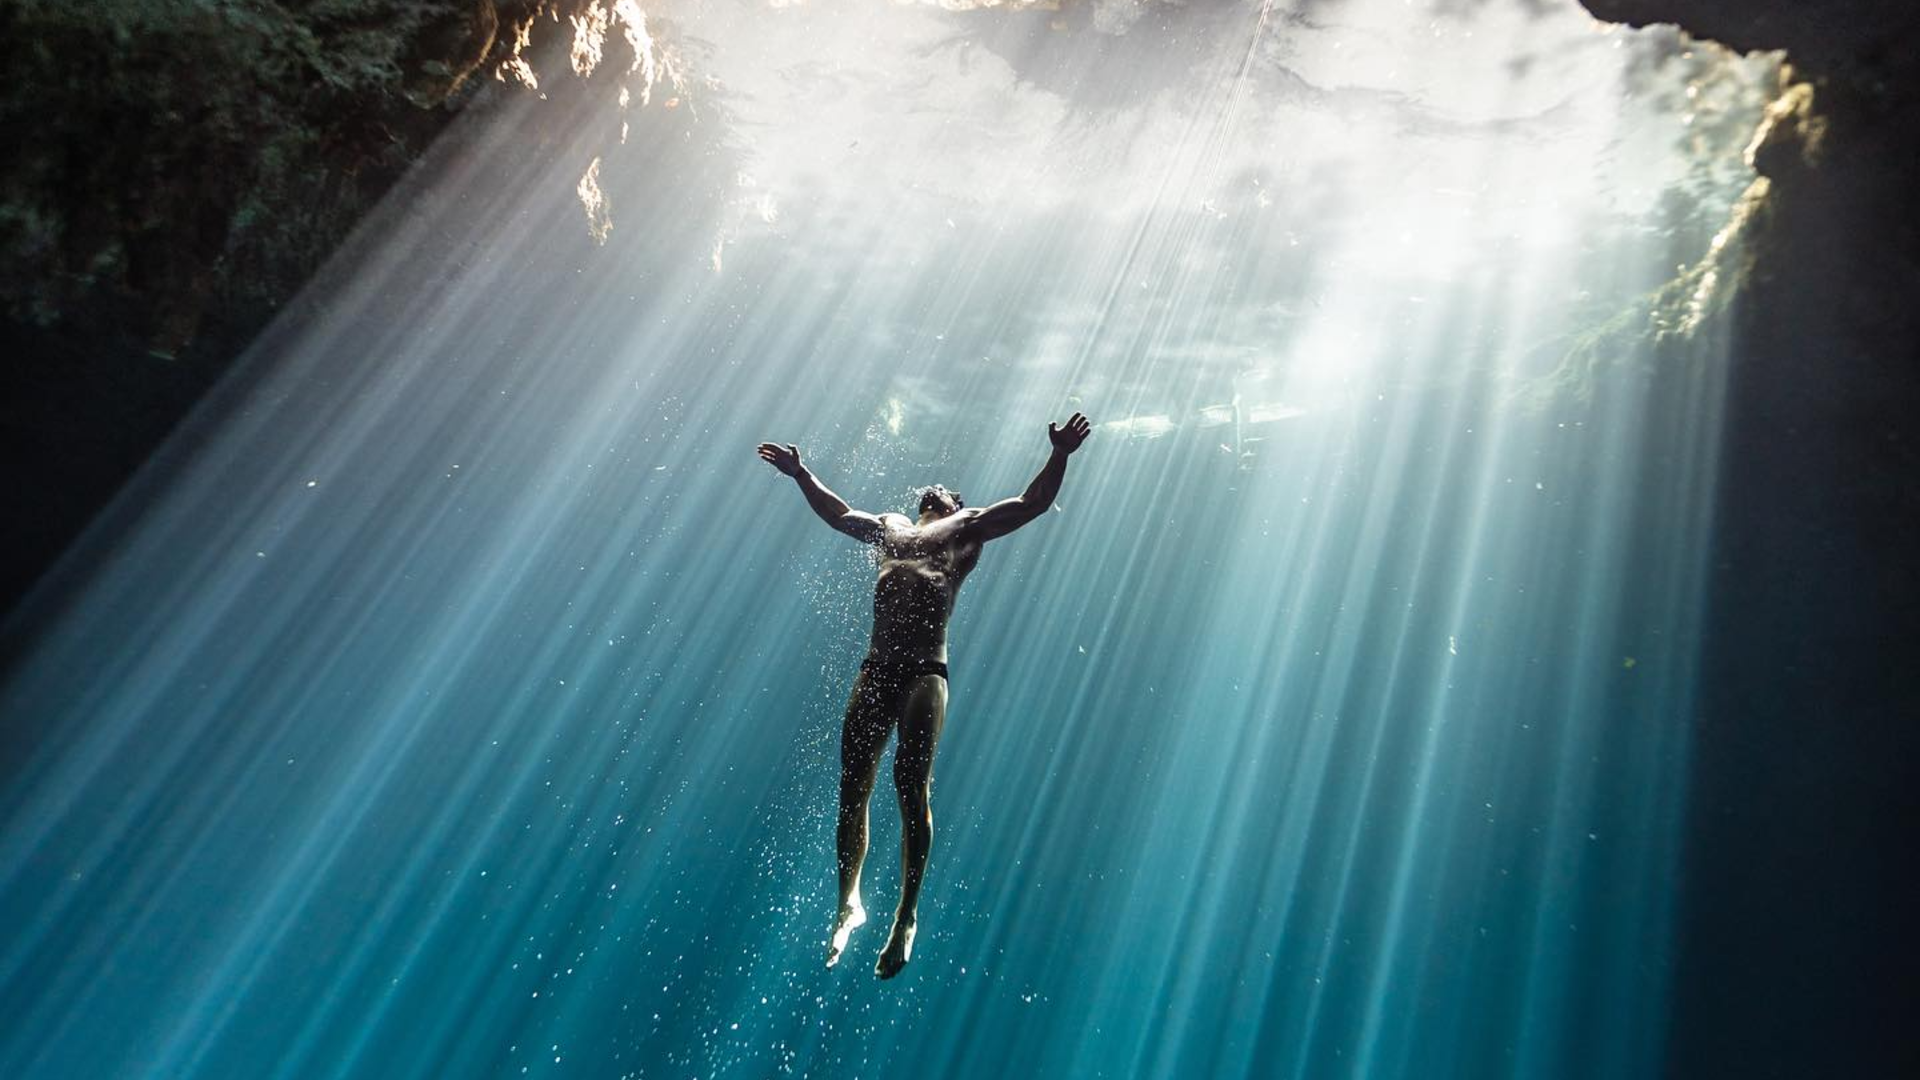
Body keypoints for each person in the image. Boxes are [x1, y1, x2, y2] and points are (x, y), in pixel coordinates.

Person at [756, 413, 1092, 978]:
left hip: (923, 672)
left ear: (958, 505)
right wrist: (801, 474)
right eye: (931, 489)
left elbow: (1031, 504)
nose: (936, 489)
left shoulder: (968, 526)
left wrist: (1059, 454)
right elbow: (839, 514)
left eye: (948, 491)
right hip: (877, 668)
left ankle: (906, 915)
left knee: (909, 787)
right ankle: (848, 902)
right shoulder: (890, 526)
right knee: (852, 787)